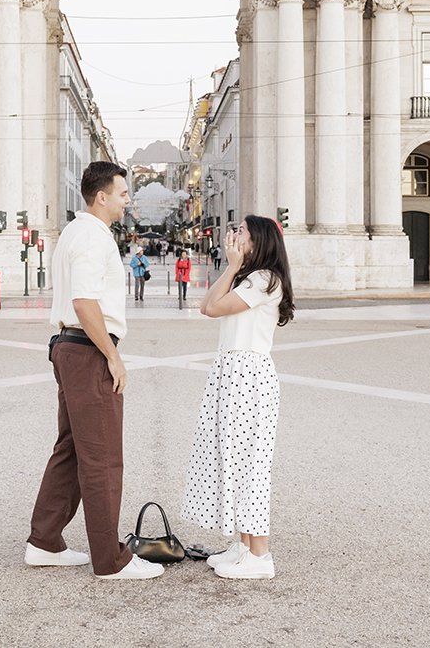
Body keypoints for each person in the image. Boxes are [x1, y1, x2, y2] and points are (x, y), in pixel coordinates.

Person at [26, 161, 162, 580]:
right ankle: (110, 559)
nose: (127, 201)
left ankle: (45, 541)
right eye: (123, 194)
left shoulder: (75, 231)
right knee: (102, 456)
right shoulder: (91, 235)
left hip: (71, 349)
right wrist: (113, 356)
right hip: (87, 351)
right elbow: (85, 302)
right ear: (101, 196)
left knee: (71, 449)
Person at [182, 214, 296, 580]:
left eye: (242, 231)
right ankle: (244, 544)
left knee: (250, 465)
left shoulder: (265, 280)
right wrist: (232, 269)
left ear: (259, 240)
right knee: (232, 458)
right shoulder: (250, 277)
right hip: (233, 374)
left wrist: (231, 267)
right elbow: (205, 306)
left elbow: (213, 308)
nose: (235, 234)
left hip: (248, 377)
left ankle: (260, 555)